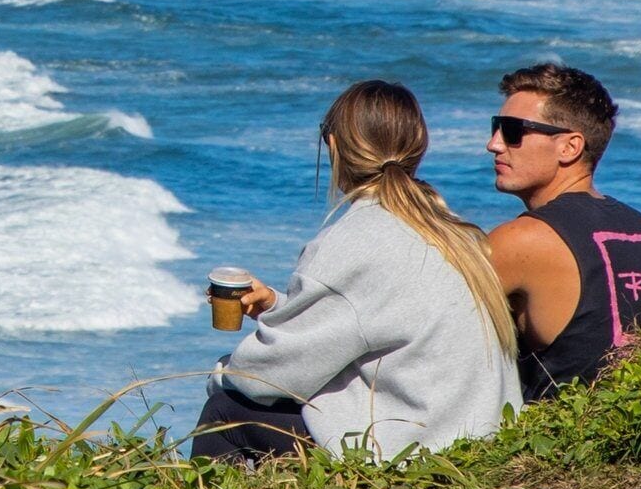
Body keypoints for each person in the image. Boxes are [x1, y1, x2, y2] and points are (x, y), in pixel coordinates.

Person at [189, 80, 525, 463]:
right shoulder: (453, 229)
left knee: (225, 413)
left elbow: (268, 378)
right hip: (480, 444)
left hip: (416, 455)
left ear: (333, 146)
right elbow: (375, 321)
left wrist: (219, 374)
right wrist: (277, 307)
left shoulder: (355, 239)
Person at [481, 62, 641, 398]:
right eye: (495, 127)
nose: (494, 144)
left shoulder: (523, 239)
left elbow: (426, 328)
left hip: (559, 441)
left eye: (512, 130)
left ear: (570, 147)